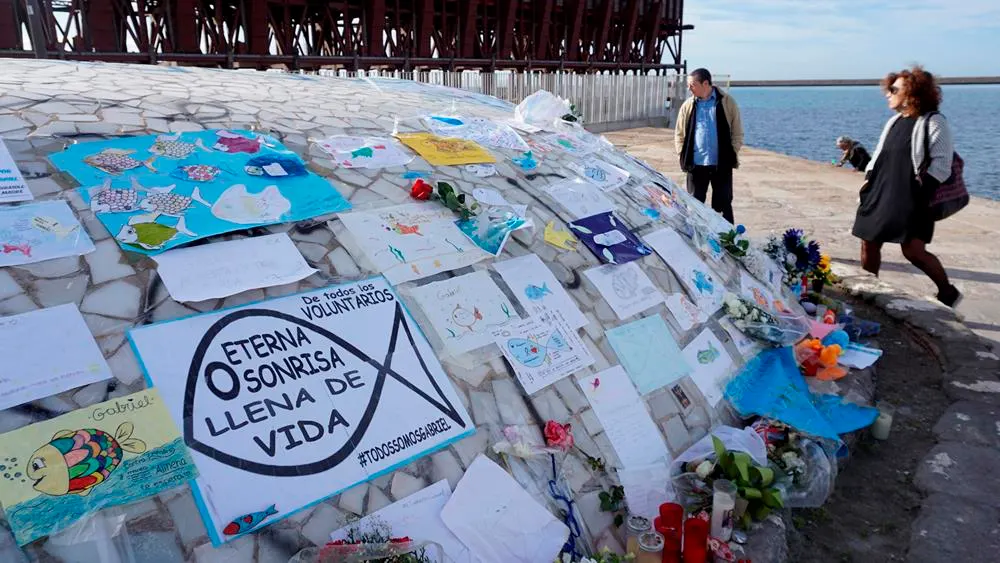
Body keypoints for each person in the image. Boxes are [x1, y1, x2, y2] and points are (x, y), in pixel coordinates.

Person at [851, 66, 961, 307]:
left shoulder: (933, 121)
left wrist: (919, 196)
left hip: (913, 197)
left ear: (912, 94)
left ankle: (948, 292)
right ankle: (871, 290)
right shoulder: (894, 121)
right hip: (880, 192)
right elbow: (880, 156)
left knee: (913, 250)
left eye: (894, 89)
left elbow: (942, 164)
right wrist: (867, 184)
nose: (887, 94)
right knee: (868, 241)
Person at [674, 68, 744, 224]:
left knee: (724, 204)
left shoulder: (727, 102)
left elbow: (737, 132)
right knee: (694, 205)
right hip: (696, 164)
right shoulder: (688, 105)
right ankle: (695, 239)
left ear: (705, 84)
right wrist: (682, 154)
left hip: (721, 164)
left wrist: (732, 151)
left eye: (692, 85)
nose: (689, 88)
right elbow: (679, 134)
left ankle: (727, 241)